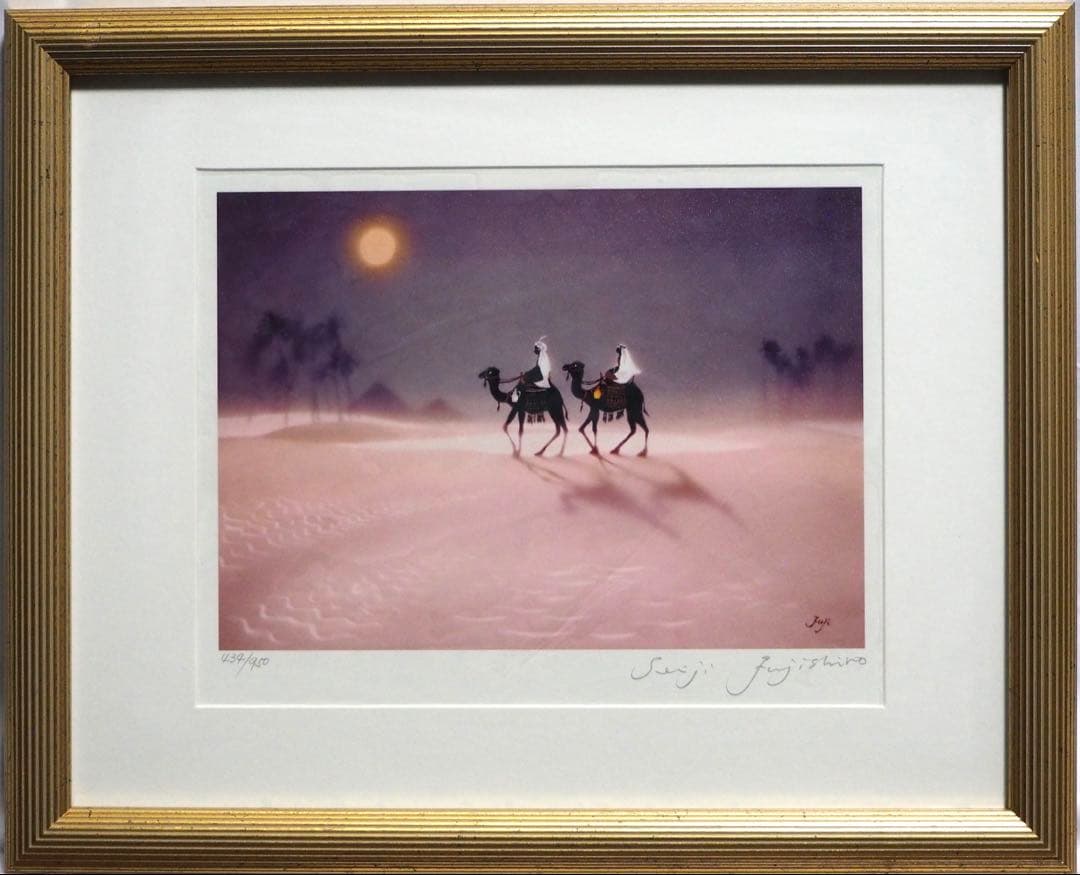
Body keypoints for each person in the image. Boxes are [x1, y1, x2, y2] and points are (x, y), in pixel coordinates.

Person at [513, 337, 552, 401]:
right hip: (539, 373)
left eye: (536, 348)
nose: (535, 350)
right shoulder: (542, 355)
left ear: (539, 349)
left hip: (541, 376)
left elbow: (538, 369)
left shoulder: (543, 356)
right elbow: (537, 368)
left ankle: (521, 397)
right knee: (525, 376)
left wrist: (528, 373)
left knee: (525, 378)